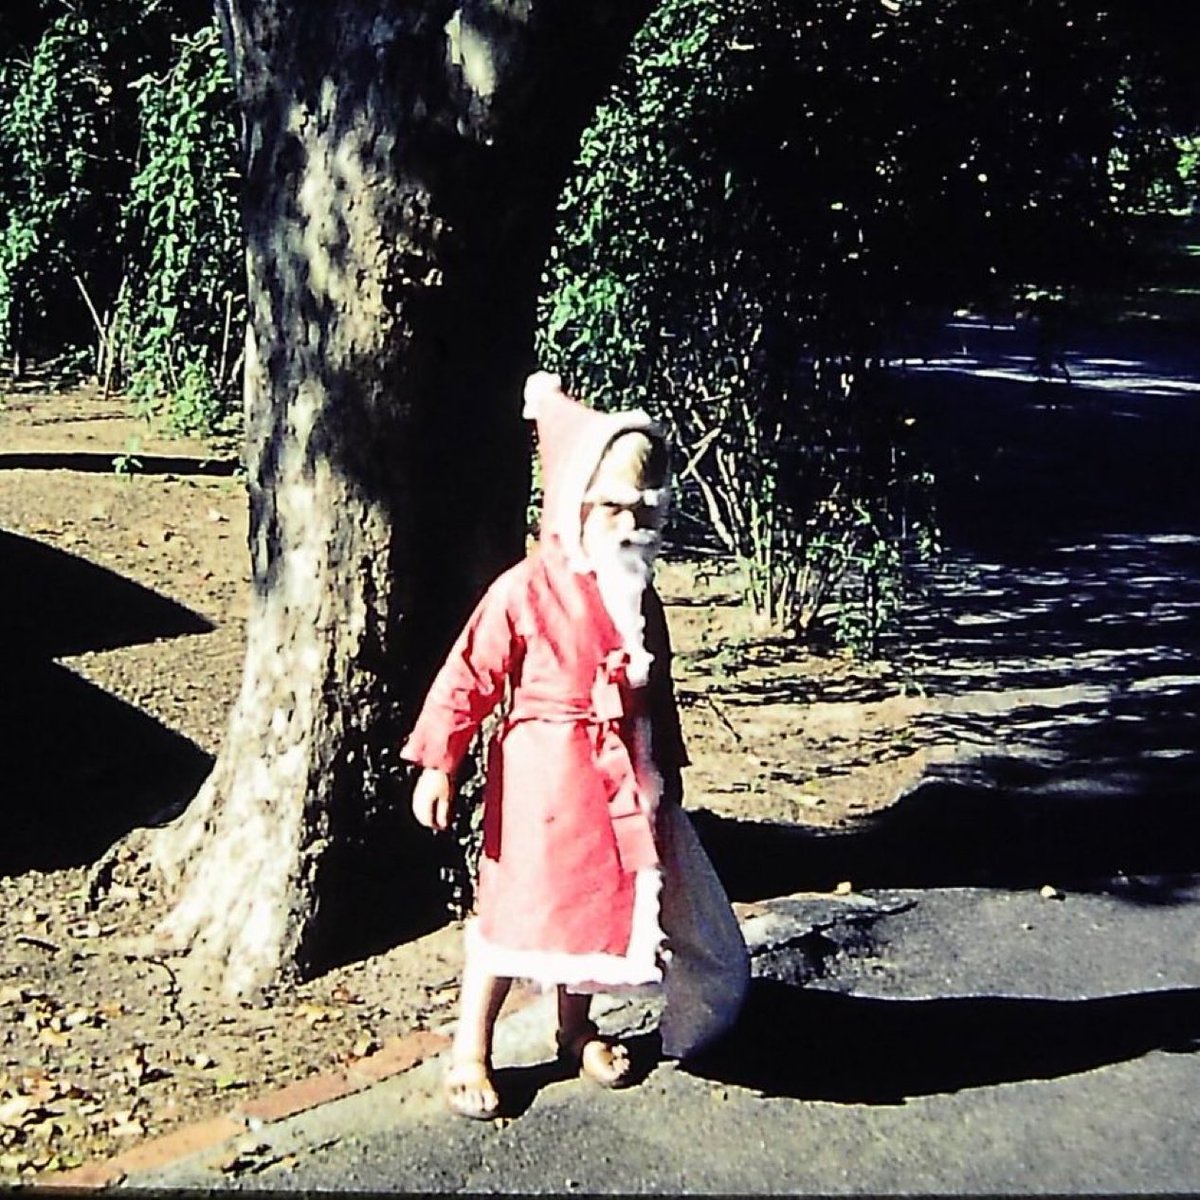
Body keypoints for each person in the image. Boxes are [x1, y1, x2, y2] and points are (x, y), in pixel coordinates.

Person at [403, 370, 748, 1120]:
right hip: (541, 781)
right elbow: (470, 672)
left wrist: (669, 769)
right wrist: (441, 760)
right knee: (515, 912)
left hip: (619, 779)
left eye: (645, 513)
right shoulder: (525, 589)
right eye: (612, 508)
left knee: (592, 908)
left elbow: (658, 692)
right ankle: (471, 1047)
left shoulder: (638, 596)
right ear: (574, 504)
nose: (628, 527)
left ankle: (573, 1025)